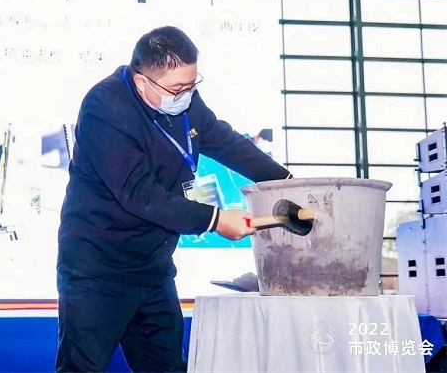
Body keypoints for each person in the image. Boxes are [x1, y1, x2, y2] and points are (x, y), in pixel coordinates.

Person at [56, 26, 293, 372]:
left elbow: (224, 141)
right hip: (98, 269)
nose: (186, 95)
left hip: (153, 267)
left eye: (192, 85)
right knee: (82, 368)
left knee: (166, 367)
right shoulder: (104, 108)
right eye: (178, 89)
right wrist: (215, 219)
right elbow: (139, 194)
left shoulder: (185, 99)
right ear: (142, 83)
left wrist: (284, 182)